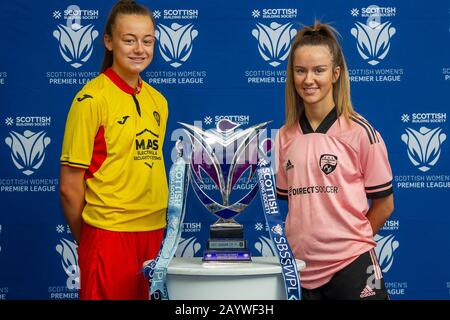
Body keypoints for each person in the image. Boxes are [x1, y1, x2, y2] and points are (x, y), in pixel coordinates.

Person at [275, 21, 394, 300]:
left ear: (336, 74)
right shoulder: (284, 137)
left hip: (353, 265)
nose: (308, 80)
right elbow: (294, 203)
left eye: (319, 70)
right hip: (301, 268)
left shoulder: (359, 131)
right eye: (300, 70)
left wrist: (351, 242)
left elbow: (385, 204)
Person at [59, 0, 168, 300]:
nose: (139, 49)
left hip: (154, 232)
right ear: (108, 41)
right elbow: (70, 187)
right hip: (108, 235)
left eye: (147, 41)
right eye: (128, 39)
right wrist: (93, 239)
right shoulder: (91, 100)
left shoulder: (158, 101)